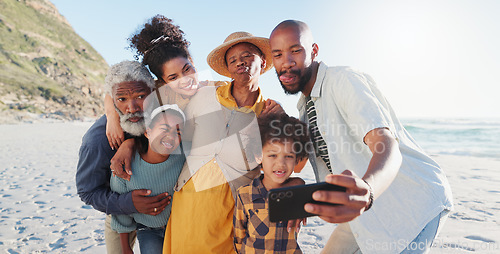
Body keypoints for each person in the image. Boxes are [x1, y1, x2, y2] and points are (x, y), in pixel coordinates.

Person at [269, 20, 453, 254]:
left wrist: (368, 190)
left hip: (411, 204)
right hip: (360, 211)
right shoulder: (305, 107)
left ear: (314, 51)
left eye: (296, 50)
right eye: (278, 54)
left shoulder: (343, 80)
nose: (286, 62)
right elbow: (299, 164)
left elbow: (386, 144)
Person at [161, 31, 284, 254]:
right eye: (233, 60)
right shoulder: (203, 96)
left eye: (247, 56)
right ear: (227, 68)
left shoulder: (269, 114)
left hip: (231, 211)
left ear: (263, 62)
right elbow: (169, 130)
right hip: (187, 202)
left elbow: (287, 165)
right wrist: (127, 143)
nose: (240, 62)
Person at [76, 60, 171, 254]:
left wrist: (131, 143)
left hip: (163, 211)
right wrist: (128, 203)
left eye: (140, 96)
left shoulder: (161, 116)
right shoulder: (96, 141)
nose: (132, 107)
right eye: (122, 100)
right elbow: (87, 191)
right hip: (119, 211)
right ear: (113, 100)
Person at [104, 14, 221, 152]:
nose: (184, 80)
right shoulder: (162, 91)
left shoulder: (216, 88)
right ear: (162, 81)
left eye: (187, 69)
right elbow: (110, 93)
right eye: (173, 78)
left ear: (192, 61)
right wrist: (112, 118)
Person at [111, 104, 186, 254]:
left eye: (177, 132)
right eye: (164, 129)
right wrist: (125, 248)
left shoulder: (184, 160)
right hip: (148, 230)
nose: (170, 136)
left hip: (179, 228)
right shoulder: (125, 166)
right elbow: (120, 210)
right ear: (147, 132)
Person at [234, 113, 310, 254]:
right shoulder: (244, 195)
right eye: (272, 155)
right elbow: (239, 238)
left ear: (297, 158)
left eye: (289, 156)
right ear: (258, 156)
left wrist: (300, 185)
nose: (280, 163)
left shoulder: (300, 194)